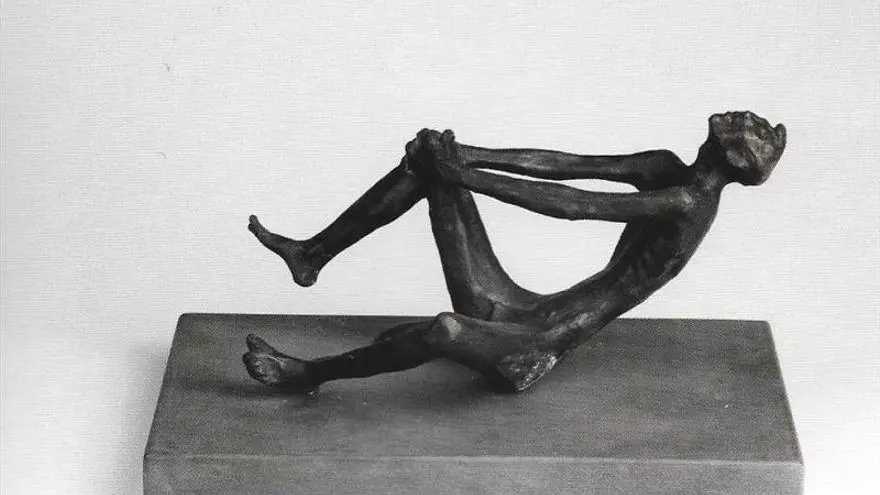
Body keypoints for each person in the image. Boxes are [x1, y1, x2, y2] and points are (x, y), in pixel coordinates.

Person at [242, 111, 786, 393]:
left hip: (536, 340)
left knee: (445, 330)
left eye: (754, 127)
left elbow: (576, 206)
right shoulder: (666, 166)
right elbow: (566, 165)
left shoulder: (687, 202)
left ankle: (307, 374)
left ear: (738, 158)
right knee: (428, 170)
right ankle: (313, 254)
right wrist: (464, 156)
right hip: (515, 304)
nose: (746, 116)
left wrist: (466, 174)